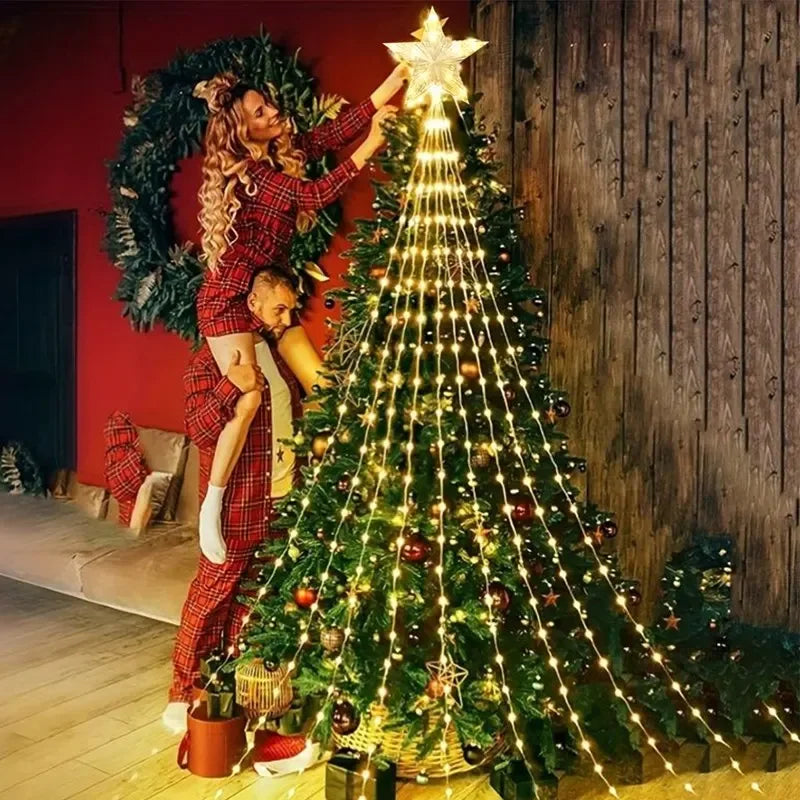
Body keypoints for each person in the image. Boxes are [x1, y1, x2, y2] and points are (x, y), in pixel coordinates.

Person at [192, 64, 408, 565]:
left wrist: (390, 82)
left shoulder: (279, 154)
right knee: (249, 396)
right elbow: (312, 194)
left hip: (263, 299)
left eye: (268, 105)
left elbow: (329, 133)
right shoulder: (252, 176)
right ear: (242, 130)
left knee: (303, 387)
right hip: (228, 300)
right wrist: (372, 144)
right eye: (260, 113)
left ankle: (310, 496)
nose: (273, 114)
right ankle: (212, 506)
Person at [163, 266, 316, 734]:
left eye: (291, 308)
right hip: (238, 504)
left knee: (257, 598)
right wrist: (234, 384)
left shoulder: (279, 354)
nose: (287, 318)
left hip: (284, 498)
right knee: (212, 594)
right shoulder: (211, 361)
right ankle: (182, 690)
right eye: (279, 308)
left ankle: (234, 684)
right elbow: (202, 432)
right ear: (252, 305)